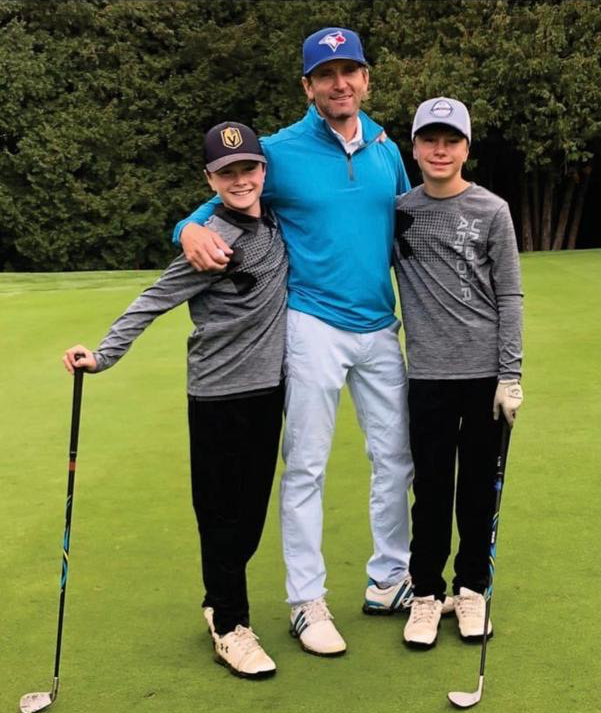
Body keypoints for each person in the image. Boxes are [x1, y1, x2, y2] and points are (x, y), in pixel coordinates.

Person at [172, 28, 430, 657]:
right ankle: (306, 602)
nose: (340, 83)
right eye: (326, 74)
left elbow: (402, 226)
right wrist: (184, 228)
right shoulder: (280, 152)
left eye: (350, 71)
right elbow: (219, 203)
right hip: (311, 323)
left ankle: (388, 580)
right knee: (307, 465)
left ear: (366, 78)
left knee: (396, 459)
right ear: (308, 86)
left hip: (378, 325)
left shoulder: (386, 150)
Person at [63, 122, 287, 679]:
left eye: (249, 168)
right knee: (220, 517)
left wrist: (182, 222)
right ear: (209, 177)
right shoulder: (209, 240)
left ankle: (219, 602)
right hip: (216, 396)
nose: (240, 180)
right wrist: (103, 355)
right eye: (227, 172)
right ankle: (232, 626)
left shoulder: (277, 216)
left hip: (269, 392)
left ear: (263, 171)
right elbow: (151, 301)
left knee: (252, 517)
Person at [392, 98, 524, 649]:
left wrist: (510, 374)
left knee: (476, 490)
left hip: (483, 376)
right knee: (431, 490)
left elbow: (509, 293)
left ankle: (471, 589)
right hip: (426, 377)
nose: (439, 150)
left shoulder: (492, 210)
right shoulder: (398, 211)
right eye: (429, 140)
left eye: (451, 140)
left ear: (467, 148)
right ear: (416, 147)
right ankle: (426, 594)